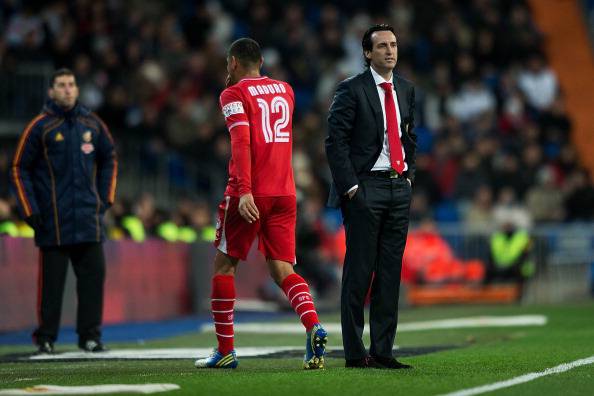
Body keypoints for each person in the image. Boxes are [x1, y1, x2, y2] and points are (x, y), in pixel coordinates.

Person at [194, 38, 327, 370]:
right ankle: (313, 326)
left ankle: (225, 351)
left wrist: (245, 191)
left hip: (249, 192)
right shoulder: (286, 90)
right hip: (284, 193)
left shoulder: (233, 94)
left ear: (234, 63)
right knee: (283, 268)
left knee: (224, 267)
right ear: (262, 61)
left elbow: (241, 140)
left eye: (228, 65)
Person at [326, 24, 416, 369]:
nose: (390, 51)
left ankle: (382, 350)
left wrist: (408, 176)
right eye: (382, 46)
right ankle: (353, 352)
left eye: (393, 45)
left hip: (397, 187)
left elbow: (411, 135)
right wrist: (352, 188)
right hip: (365, 189)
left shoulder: (406, 90)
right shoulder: (351, 90)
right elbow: (335, 142)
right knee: (360, 273)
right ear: (368, 54)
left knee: (390, 273)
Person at [10, 68, 117, 354]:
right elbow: (19, 168)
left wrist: (105, 198)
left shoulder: (93, 125)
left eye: (71, 84)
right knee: (51, 287)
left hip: (88, 219)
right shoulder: (39, 127)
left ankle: (90, 337)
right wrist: (29, 209)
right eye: (61, 85)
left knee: (93, 280)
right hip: (52, 221)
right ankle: (46, 338)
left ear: (77, 90)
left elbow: (110, 158)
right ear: (51, 91)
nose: (67, 89)